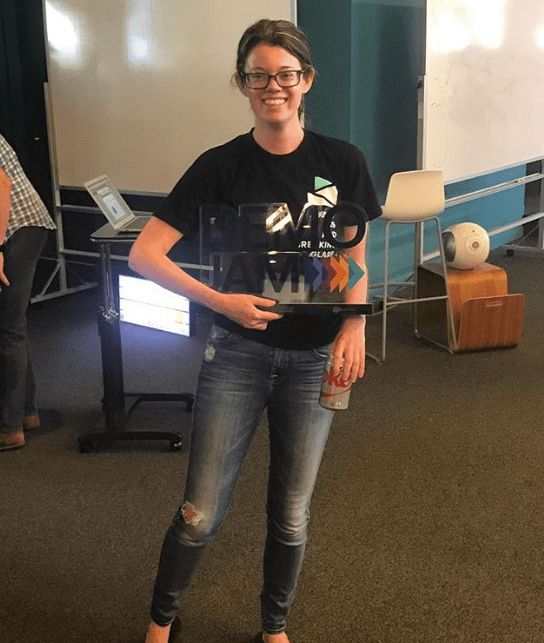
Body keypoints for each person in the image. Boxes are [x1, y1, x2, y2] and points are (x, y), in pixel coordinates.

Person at [129, 19, 382, 643]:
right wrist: (219, 301)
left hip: (315, 357)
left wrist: (354, 325)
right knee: (200, 514)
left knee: (291, 516)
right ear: (242, 83)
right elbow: (144, 255)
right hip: (236, 354)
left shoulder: (341, 163)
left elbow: (353, 259)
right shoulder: (219, 167)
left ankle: (274, 627)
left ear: (307, 80)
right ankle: (161, 622)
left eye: (286, 74)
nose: (274, 87)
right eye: (259, 75)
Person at [0, 133, 56, 452]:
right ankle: (26, 412)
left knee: (7, 327)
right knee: (12, 325)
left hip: (15, 229)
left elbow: (2, 186)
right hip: (25, 226)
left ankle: (9, 428)